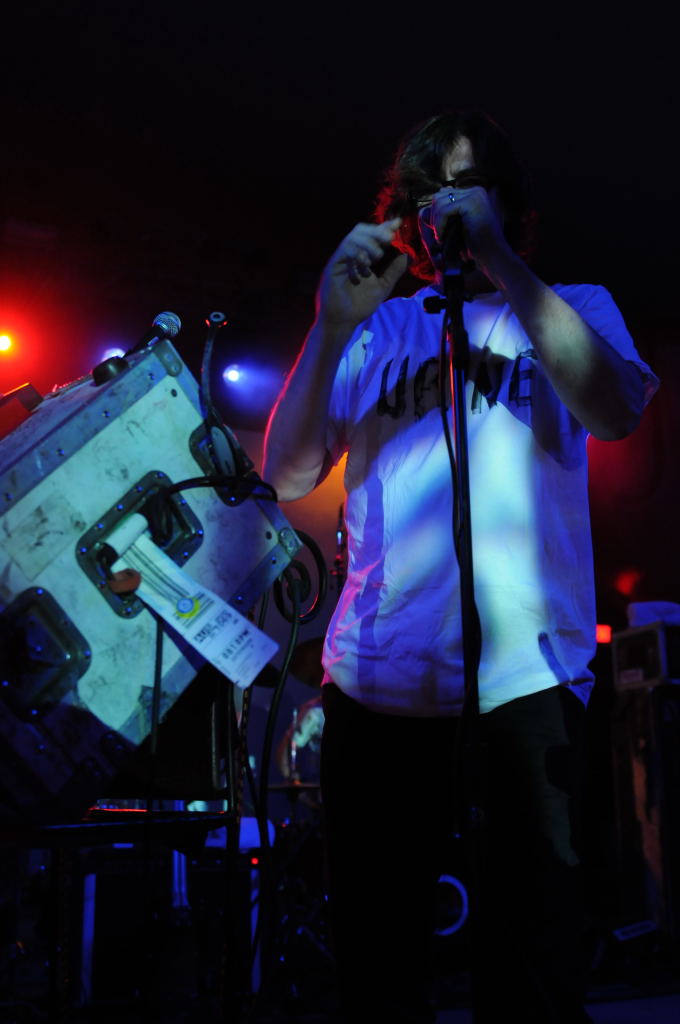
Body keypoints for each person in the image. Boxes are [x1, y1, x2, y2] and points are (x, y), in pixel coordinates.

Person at [262, 110, 659, 1023]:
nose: (447, 204)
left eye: (467, 185)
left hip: (524, 684)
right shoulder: (380, 330)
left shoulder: (575, 305)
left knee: (534, 962)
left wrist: (503, 265)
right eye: (428, 191)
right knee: (379, 965)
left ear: (507, 202)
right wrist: (331, 324)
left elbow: (614, 410)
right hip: (377, 688)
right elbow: (285, 475)